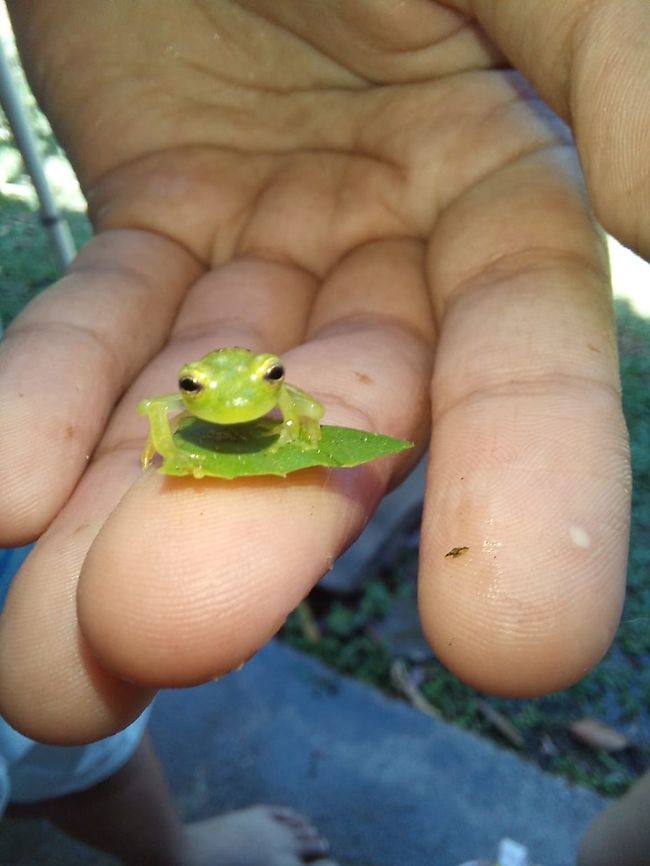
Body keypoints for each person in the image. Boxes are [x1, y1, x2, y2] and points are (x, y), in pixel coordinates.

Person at [0, 2, 647, 864]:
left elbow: (291, 399)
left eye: (266, 381)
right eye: (196, 391)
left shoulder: (277, 392)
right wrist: (168, 434)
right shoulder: (182, 401)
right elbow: (164, 407)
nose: (223, 400)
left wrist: (292, 411)